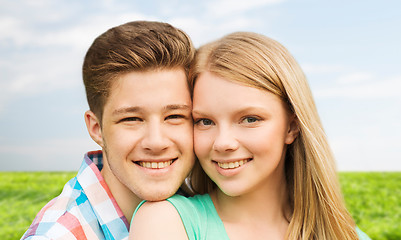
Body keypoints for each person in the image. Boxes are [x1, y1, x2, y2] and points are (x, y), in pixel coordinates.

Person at [129, 32, 371, 239]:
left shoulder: (346, 235)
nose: (223, 142)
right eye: (205, 121)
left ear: (292, 127)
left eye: (250, 119)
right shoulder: (165, 222)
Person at [21, 20, 195, 240]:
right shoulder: (59, 235)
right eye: (132, 118)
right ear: (96, 129)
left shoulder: (205, 202)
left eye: (175, 116)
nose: (157, 142)